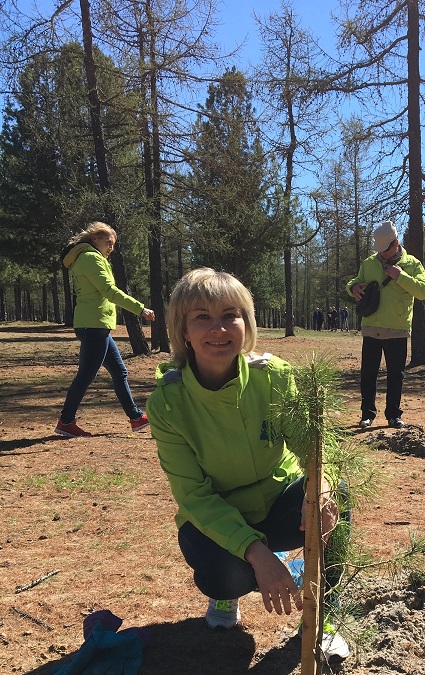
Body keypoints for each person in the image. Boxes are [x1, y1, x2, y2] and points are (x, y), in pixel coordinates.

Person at [146, 267, 340, 630]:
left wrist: (322, 489)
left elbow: (312, 450)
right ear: (183, 331)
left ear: (246, 324)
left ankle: (326, 612)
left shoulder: (274, 377)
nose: (218, 329)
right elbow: (194, 495)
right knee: (230, 575)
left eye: (229, 315)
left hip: (279, 499)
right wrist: (257, 554)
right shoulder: (167, 404)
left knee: (337, 499)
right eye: (202, 317)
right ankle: (227, 592)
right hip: (216, 517)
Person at [55, 221, 155, 438]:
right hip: (93, 325)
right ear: (94, 239)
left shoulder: (93, 257)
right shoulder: (90, 258)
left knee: (119, 372)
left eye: (114, 244)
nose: (111, 247)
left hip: (96, 325)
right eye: (108, 242)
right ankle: (65, 422)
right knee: (85, 376)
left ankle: (136, 418)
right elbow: (109, 291)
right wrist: (140, 309)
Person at [347, 220, 425, 429]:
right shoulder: (369, 263)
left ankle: (394, 415)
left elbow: (423, 291)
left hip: (397, 329)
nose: (382, 254)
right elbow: (355, 281)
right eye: (380, 250)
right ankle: (367, 414)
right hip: (371, 327)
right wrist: (353, 287)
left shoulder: (412, 264)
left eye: (386, 249)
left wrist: (400, 276)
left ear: (396, 242)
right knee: (368, 374)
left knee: (396, 375)